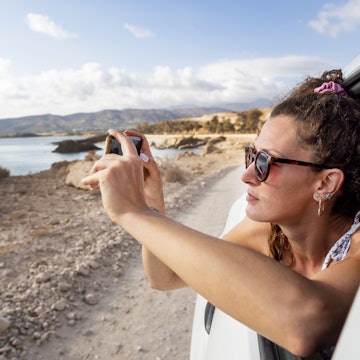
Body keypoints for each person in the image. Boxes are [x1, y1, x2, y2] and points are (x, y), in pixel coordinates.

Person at [81, 69, 360, 359]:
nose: (248, 175)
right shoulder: (268, 232)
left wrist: (131, 211)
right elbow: (164, 276)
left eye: (265, 162)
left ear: (325, 183)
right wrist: (151, 204)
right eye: (251, 155)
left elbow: (306, 325)